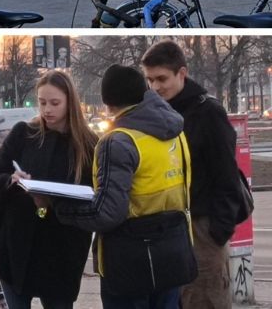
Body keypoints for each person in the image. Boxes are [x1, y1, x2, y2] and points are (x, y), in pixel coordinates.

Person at [53, 65, 193, 309]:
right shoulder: (175, 132)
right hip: (174, 254)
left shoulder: (118, 140)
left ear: (107, 102)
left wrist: (62, 209)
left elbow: (107, 213)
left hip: (131, 261)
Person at [0, 70, 98, 308]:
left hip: (61, 252)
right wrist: (11, 181)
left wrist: (50, 203)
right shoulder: (24, 133)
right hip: (14, 249)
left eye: (55, 103)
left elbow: (92, 197)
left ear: (70, 102)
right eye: (42, 102)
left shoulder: (88, 145)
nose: (47, 110)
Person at [142, 41, 242, 309]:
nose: (155, 87)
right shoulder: (154, 113)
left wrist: (216, 233)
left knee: (204, 300)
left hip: (202, 227)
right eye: (150, 80)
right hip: (168, 227)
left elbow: (227, 176)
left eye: (162, 79)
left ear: (182, 73)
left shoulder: (208, 112)